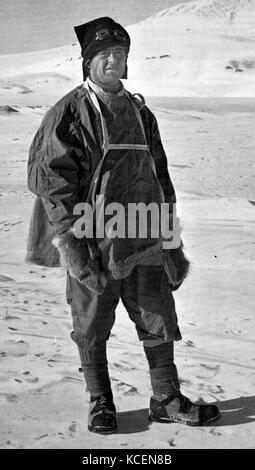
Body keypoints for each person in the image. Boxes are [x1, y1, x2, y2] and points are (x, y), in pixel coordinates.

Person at [26, 16, 221, 434]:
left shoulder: (139, 110)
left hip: (144, 232)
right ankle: (101, 402)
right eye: (105, 55)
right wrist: (72, 245)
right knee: (91, 319)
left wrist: (171, 238)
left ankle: (165, 398)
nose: (114, 60)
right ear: (88, 63)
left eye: (121, 54)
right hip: (92, 234)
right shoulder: (69, 112)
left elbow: (159, 173)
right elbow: (52, 182)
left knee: (156, 313)